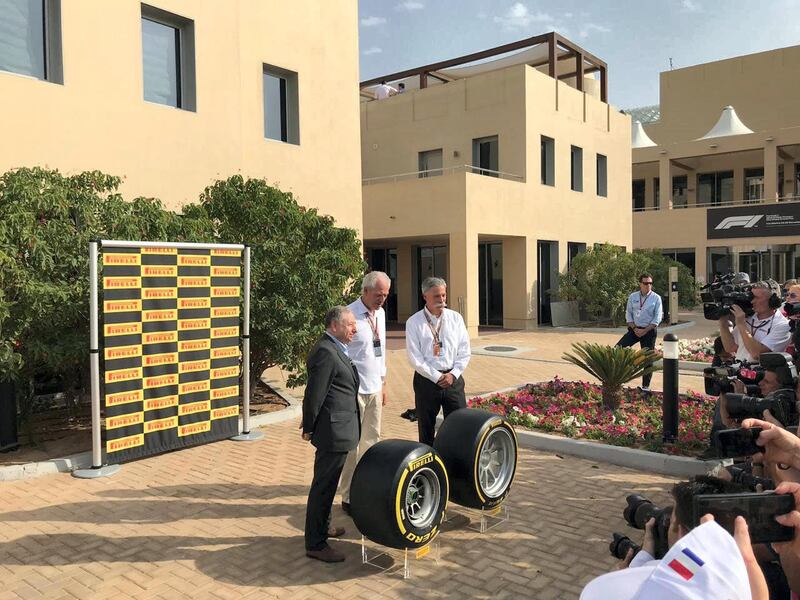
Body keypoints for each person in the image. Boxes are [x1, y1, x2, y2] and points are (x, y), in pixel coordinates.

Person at [581, 517, 768, 600]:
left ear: (682, 531)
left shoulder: (675, 569)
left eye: (670, 522)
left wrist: (627, 571)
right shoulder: (691, 571)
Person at [302, 306, 360, 563]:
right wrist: (309, 426)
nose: (354, 329)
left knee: (328, 485)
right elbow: (315, 394)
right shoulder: (326, 351)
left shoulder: (336, 348)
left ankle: (323, 528)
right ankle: (315, 543)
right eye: (350, 325)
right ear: (334, 326)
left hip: (340, 428)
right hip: (332, 432)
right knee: (323, 488)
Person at [339, 271, 390, 517]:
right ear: (366, 291)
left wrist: (384, 383)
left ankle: (366, 488)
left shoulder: (380, 314)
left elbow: (381, 351)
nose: (382, 299)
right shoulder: (349, 316)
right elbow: (340, 355)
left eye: (386, 295)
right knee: (352, 446)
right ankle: (348, 495)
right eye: (379, 294)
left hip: (374, 389)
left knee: (372, 441)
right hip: (353, 391)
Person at [405, 276, 471, 446]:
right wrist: (436, 377)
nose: (441, 299)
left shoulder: (456, 319)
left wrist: (453, 374)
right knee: (426, 427)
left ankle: (454, 463)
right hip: (427, 381)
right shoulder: (414, 322)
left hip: (453, 381)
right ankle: (429, 466)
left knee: (459, 425)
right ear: (424, 296)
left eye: (443, 295)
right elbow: (415, 358)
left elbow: (464, 351)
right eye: (436, 296)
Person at [718, 279, 791, 363]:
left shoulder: (783, 325)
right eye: (752, 297)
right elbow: (730, 347)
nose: (752, 301)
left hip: (762, 374)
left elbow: (756, 354)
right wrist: (723, 322)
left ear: (773, 301)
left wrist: (741, 325)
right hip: (739, 370)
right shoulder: (748, 317)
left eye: (757, 298)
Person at [616, 273, 663, 392]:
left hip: (649, 331)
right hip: (634, 329)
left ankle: (645, 387)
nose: (649, 285)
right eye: (646, 283)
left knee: (647, 360)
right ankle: (617, 379)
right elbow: (628, 313)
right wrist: (634, 328)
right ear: (640, 284)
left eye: (650, 283)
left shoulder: (656, 298)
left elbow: (657, 318)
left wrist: (645, 330)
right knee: (617, 349)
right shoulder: (633, 297)